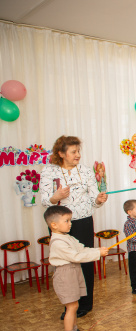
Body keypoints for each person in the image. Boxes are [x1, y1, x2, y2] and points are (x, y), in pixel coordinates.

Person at [40, 135, 108, 319]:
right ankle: (70, 305)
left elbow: (94, 200)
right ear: (61, 153)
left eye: (78, 151)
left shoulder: (85, 171)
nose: (78, 154)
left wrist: (99, 199)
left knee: (85, 259)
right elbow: (45, 201)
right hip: (59, 225)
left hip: (83, 221)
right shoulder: (49, 171)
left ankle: (85, 304)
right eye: (73, 151)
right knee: (66, 264)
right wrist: (56, 196)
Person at [44, 206, 108, 331]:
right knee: (71, 306)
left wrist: (97, 250)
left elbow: (82, 249)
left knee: (74, 305)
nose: (70, 224)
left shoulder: (67, 237)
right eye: (66, 221)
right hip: (65, 275)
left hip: (73, 272)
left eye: (70, 220)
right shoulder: (58, 242)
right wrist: (97, 254)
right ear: (54, 225)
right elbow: (76, 256)